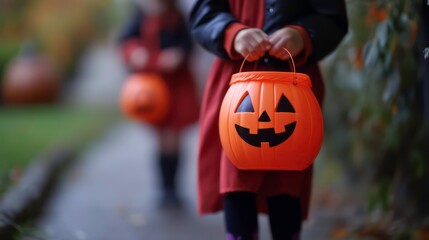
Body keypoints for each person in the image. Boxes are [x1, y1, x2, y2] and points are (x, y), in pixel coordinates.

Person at [190, 1, 348, 239]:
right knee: (237, 174)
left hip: (293, 88)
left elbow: (333, 18)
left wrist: (303, 35)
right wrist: (233, 33)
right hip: (238, 88)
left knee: (286, 181)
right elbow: (204, 14)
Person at [118, 0, 199, 208]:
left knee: (174, 137)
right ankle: (163, 188)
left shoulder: (177, 16)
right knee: (161, 138)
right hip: (151, 86)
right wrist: (135, 52)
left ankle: (173, 188)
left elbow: (188, 44)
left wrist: (177, 55)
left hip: (175, 85)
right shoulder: (139, 13)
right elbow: (126, 40)